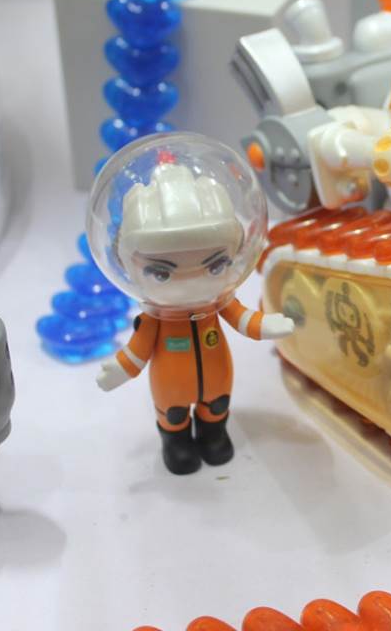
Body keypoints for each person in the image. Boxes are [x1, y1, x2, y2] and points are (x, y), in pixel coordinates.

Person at [94, 160, 293, 475]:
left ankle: (214, 434)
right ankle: (176, 443)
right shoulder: (155, 318)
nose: (190, 283)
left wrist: (266, 324)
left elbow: (243, 319)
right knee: (173, 417)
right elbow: (138, 351)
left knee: (216, 408)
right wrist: (119, 370)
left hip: (217, 378)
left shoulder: (219, 303)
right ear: (129, 266)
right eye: (162, 273)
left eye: (214, 266)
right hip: (170, 388)